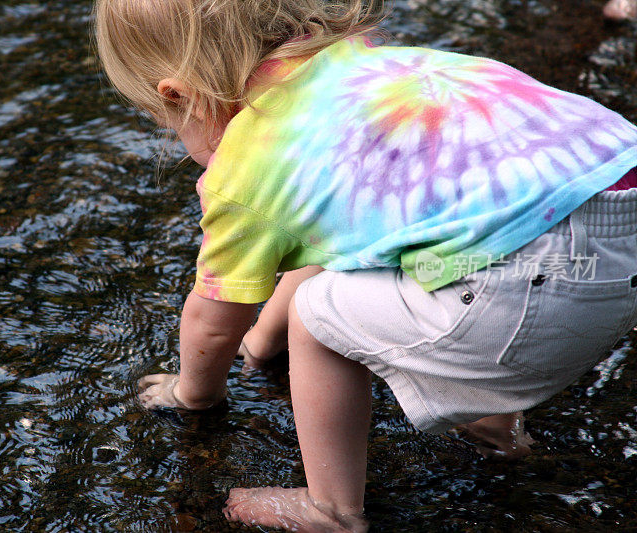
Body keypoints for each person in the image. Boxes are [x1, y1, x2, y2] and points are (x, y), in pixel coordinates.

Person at [93, 0, 637, 531]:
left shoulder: (246, 166)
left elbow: (213, 319)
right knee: (431, 241)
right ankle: (493, 427)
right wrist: (261, 342)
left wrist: (193, 394)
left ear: (179, 95)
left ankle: (331, 509)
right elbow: (338, 246)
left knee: (316, 316)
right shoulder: (357, 62)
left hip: (531, 282)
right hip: (616, 214)